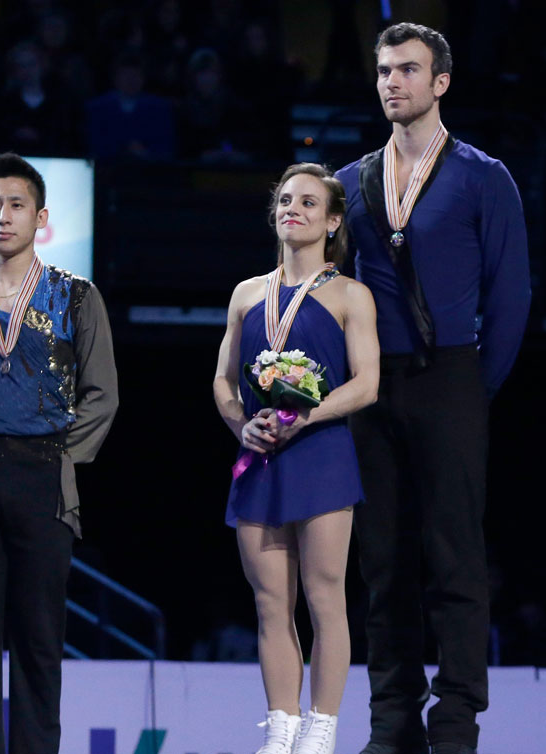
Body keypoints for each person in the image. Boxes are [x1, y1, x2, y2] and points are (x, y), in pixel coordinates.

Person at [335, 22, 531, 754]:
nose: (393, 81)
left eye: (409, 70)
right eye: (384, 70)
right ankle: (392, 719)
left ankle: (455, 721)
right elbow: (332, 292)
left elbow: (510, 296)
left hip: (451, 376)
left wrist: (474, 389)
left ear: (441, 82)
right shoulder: (351, 181)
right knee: (381, 559)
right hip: (372, 387)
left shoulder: (485, 175)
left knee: (454, 556)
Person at [0, 153, 119, 754]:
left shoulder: (78, 296)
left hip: (44, 477)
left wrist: (62, 460)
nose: (3, 216)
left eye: (16, 205)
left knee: (39, 638)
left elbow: (102, 396)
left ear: (41, 217)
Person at [213, 163, 380, 754]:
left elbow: (367, 384)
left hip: (321, 452)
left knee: (324, 594)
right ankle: (281, 727)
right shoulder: (246, 294)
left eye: (310, 203)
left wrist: (309, 415)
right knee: (269, 602)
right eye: (286, 200)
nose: (294, 210)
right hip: (261, 456)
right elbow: (224, 382)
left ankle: (321, 728)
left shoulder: (350, 295)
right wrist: (243, 424)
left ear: (333, 221)